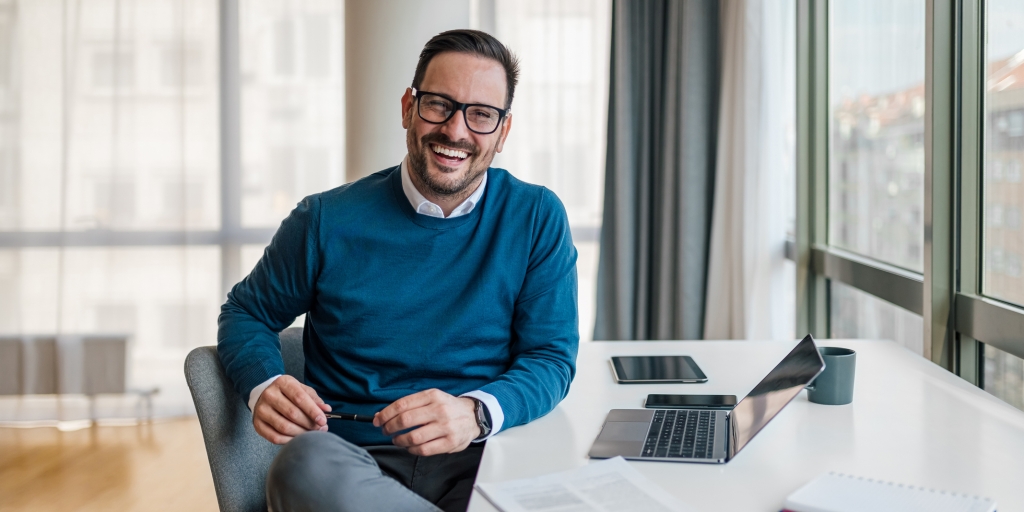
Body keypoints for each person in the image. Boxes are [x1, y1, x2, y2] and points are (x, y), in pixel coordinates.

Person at [217, 29, 579, 512]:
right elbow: (246, 313)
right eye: (438, 105)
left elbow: (550, 358)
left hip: (482, 454)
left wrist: (475, 413)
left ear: (503, 132)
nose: (455, 131)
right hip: (352, 462)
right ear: (408, 107)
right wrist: (263, 383)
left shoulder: (536, 217)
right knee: (302, 465)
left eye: (481, 114)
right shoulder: (325, 219)